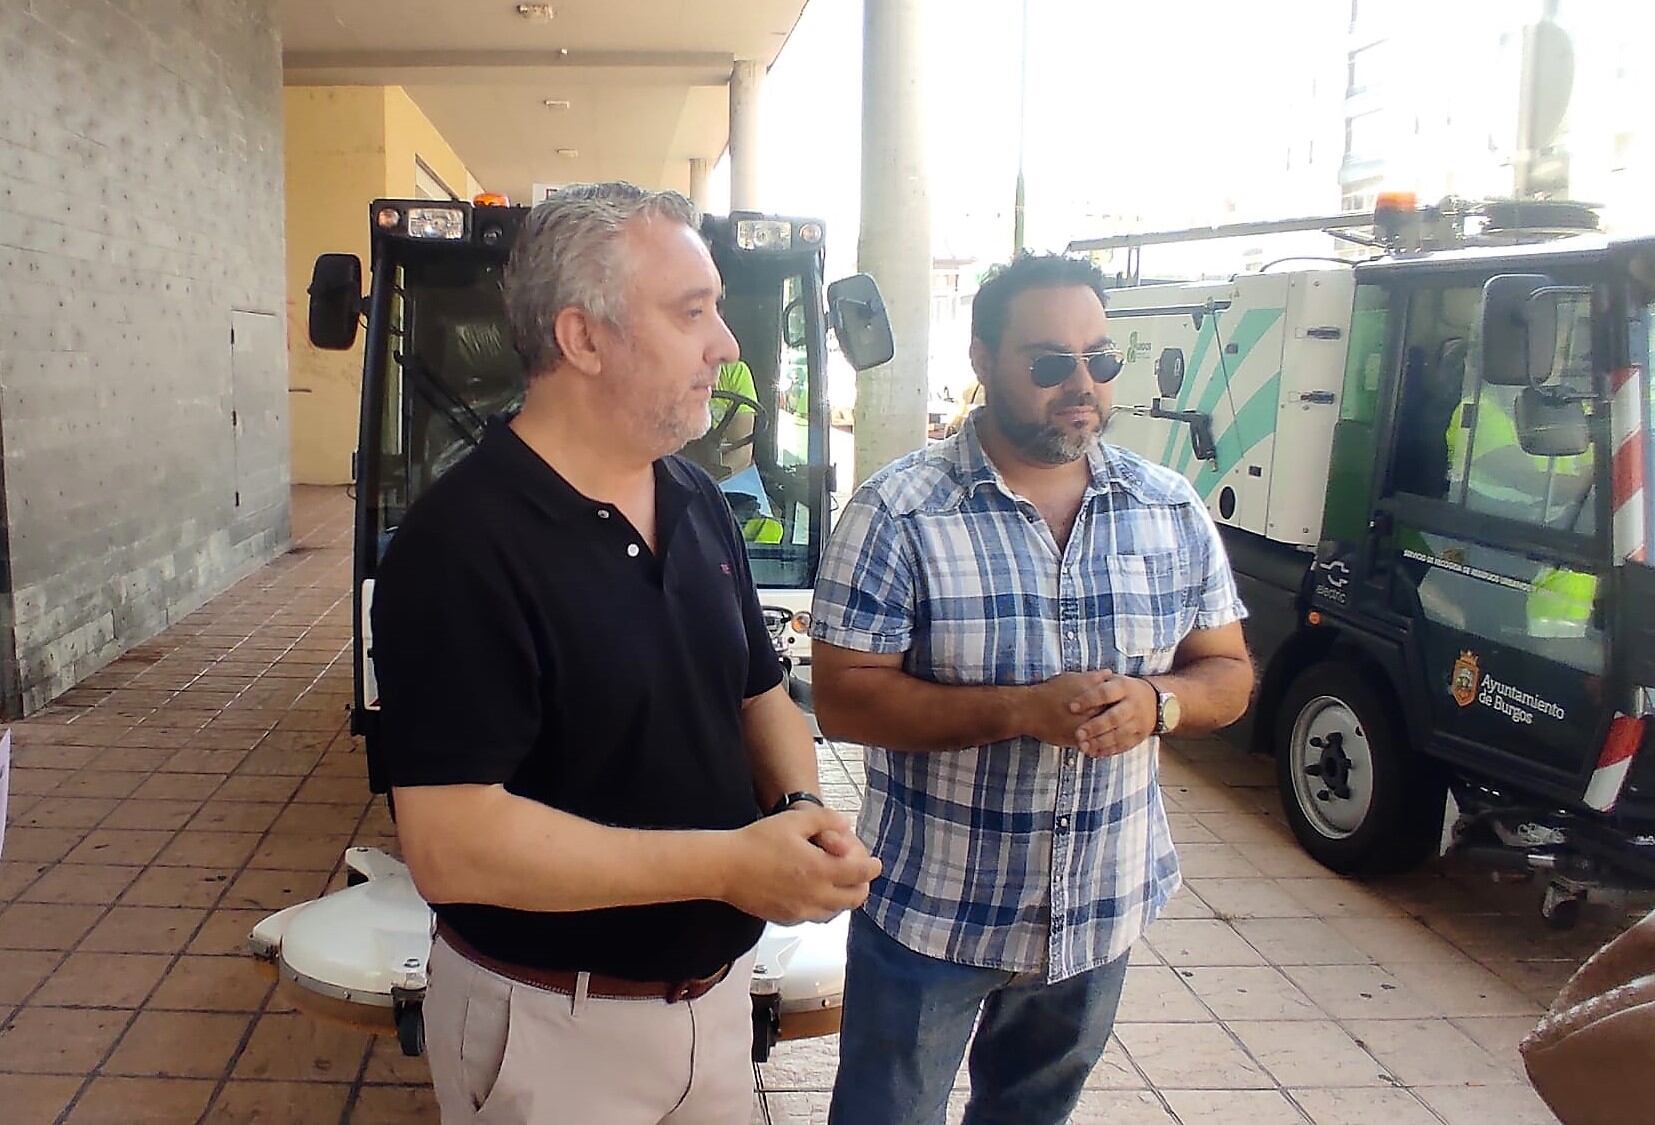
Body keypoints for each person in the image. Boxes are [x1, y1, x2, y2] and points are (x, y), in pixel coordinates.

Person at [370, 182, 879, 1125]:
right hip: (552, 1030)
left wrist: (800, 812)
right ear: (583, 338)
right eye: (693, 313)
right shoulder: (461, 546)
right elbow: (451, 845)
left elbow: (755, 691)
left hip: (715, 1009)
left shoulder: (693, 499)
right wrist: (728, 865)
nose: (725, 346)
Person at [809, 253, 1255, 1125]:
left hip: (1096, 908)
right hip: (934, 914)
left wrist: (1157, 703)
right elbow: (845, 698)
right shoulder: (899, 510)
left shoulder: (1167, 508)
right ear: (981, 360)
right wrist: (1019, 709)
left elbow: (1228, 672)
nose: (1080, 383)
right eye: (1049, 362)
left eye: (1100, 359)